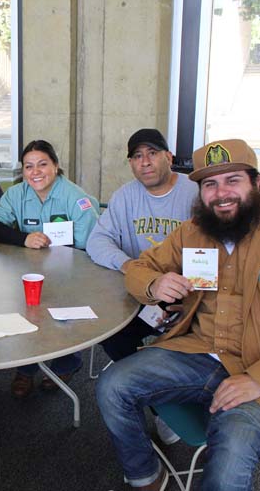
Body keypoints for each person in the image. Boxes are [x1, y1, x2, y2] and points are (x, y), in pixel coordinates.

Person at [96, 139, 260, 491]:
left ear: (256, 184)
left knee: (229, 460)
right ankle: (146, 476)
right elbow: (140, 268)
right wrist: (154, 284)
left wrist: (259, 378)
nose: (221, 193)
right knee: (112, 385)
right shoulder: (195, 232)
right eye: (210, 185)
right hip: (201, 352)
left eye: (233, 180)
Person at [0, 140, 99, 398]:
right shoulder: (16, 194)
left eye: (43, 164)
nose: (35, 172)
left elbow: (89, 248)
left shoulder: (76, 198)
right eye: (28, 166)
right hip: (29, 272)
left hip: (73, 273)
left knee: (61, 309)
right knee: (23, 307)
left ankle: (66, 363)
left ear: (56, 166)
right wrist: (23, 238)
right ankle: (26, 367)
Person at [87, 129, 198, 360]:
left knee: (188, 344)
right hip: (140, 290)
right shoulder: (124, 196)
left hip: (188, 293)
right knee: (111, 333)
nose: (145, 162)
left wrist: (187, 297)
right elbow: (97, 240)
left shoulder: (195, 192)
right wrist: (127, 264)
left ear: (169, 157)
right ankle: (141, 377)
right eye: (137, 156)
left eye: (152, 153)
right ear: (131, 163)